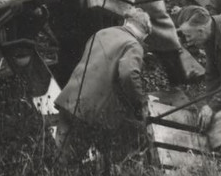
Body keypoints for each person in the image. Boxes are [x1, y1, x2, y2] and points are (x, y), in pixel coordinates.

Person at [54, 8, 151, 165]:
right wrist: (140, 102)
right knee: (82, 162)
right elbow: (128, 75)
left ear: (126, 22)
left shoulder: (100, 33)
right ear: (145, 34)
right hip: (92, 112)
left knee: (60, 158)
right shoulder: (133, 45)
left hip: (69, 100)